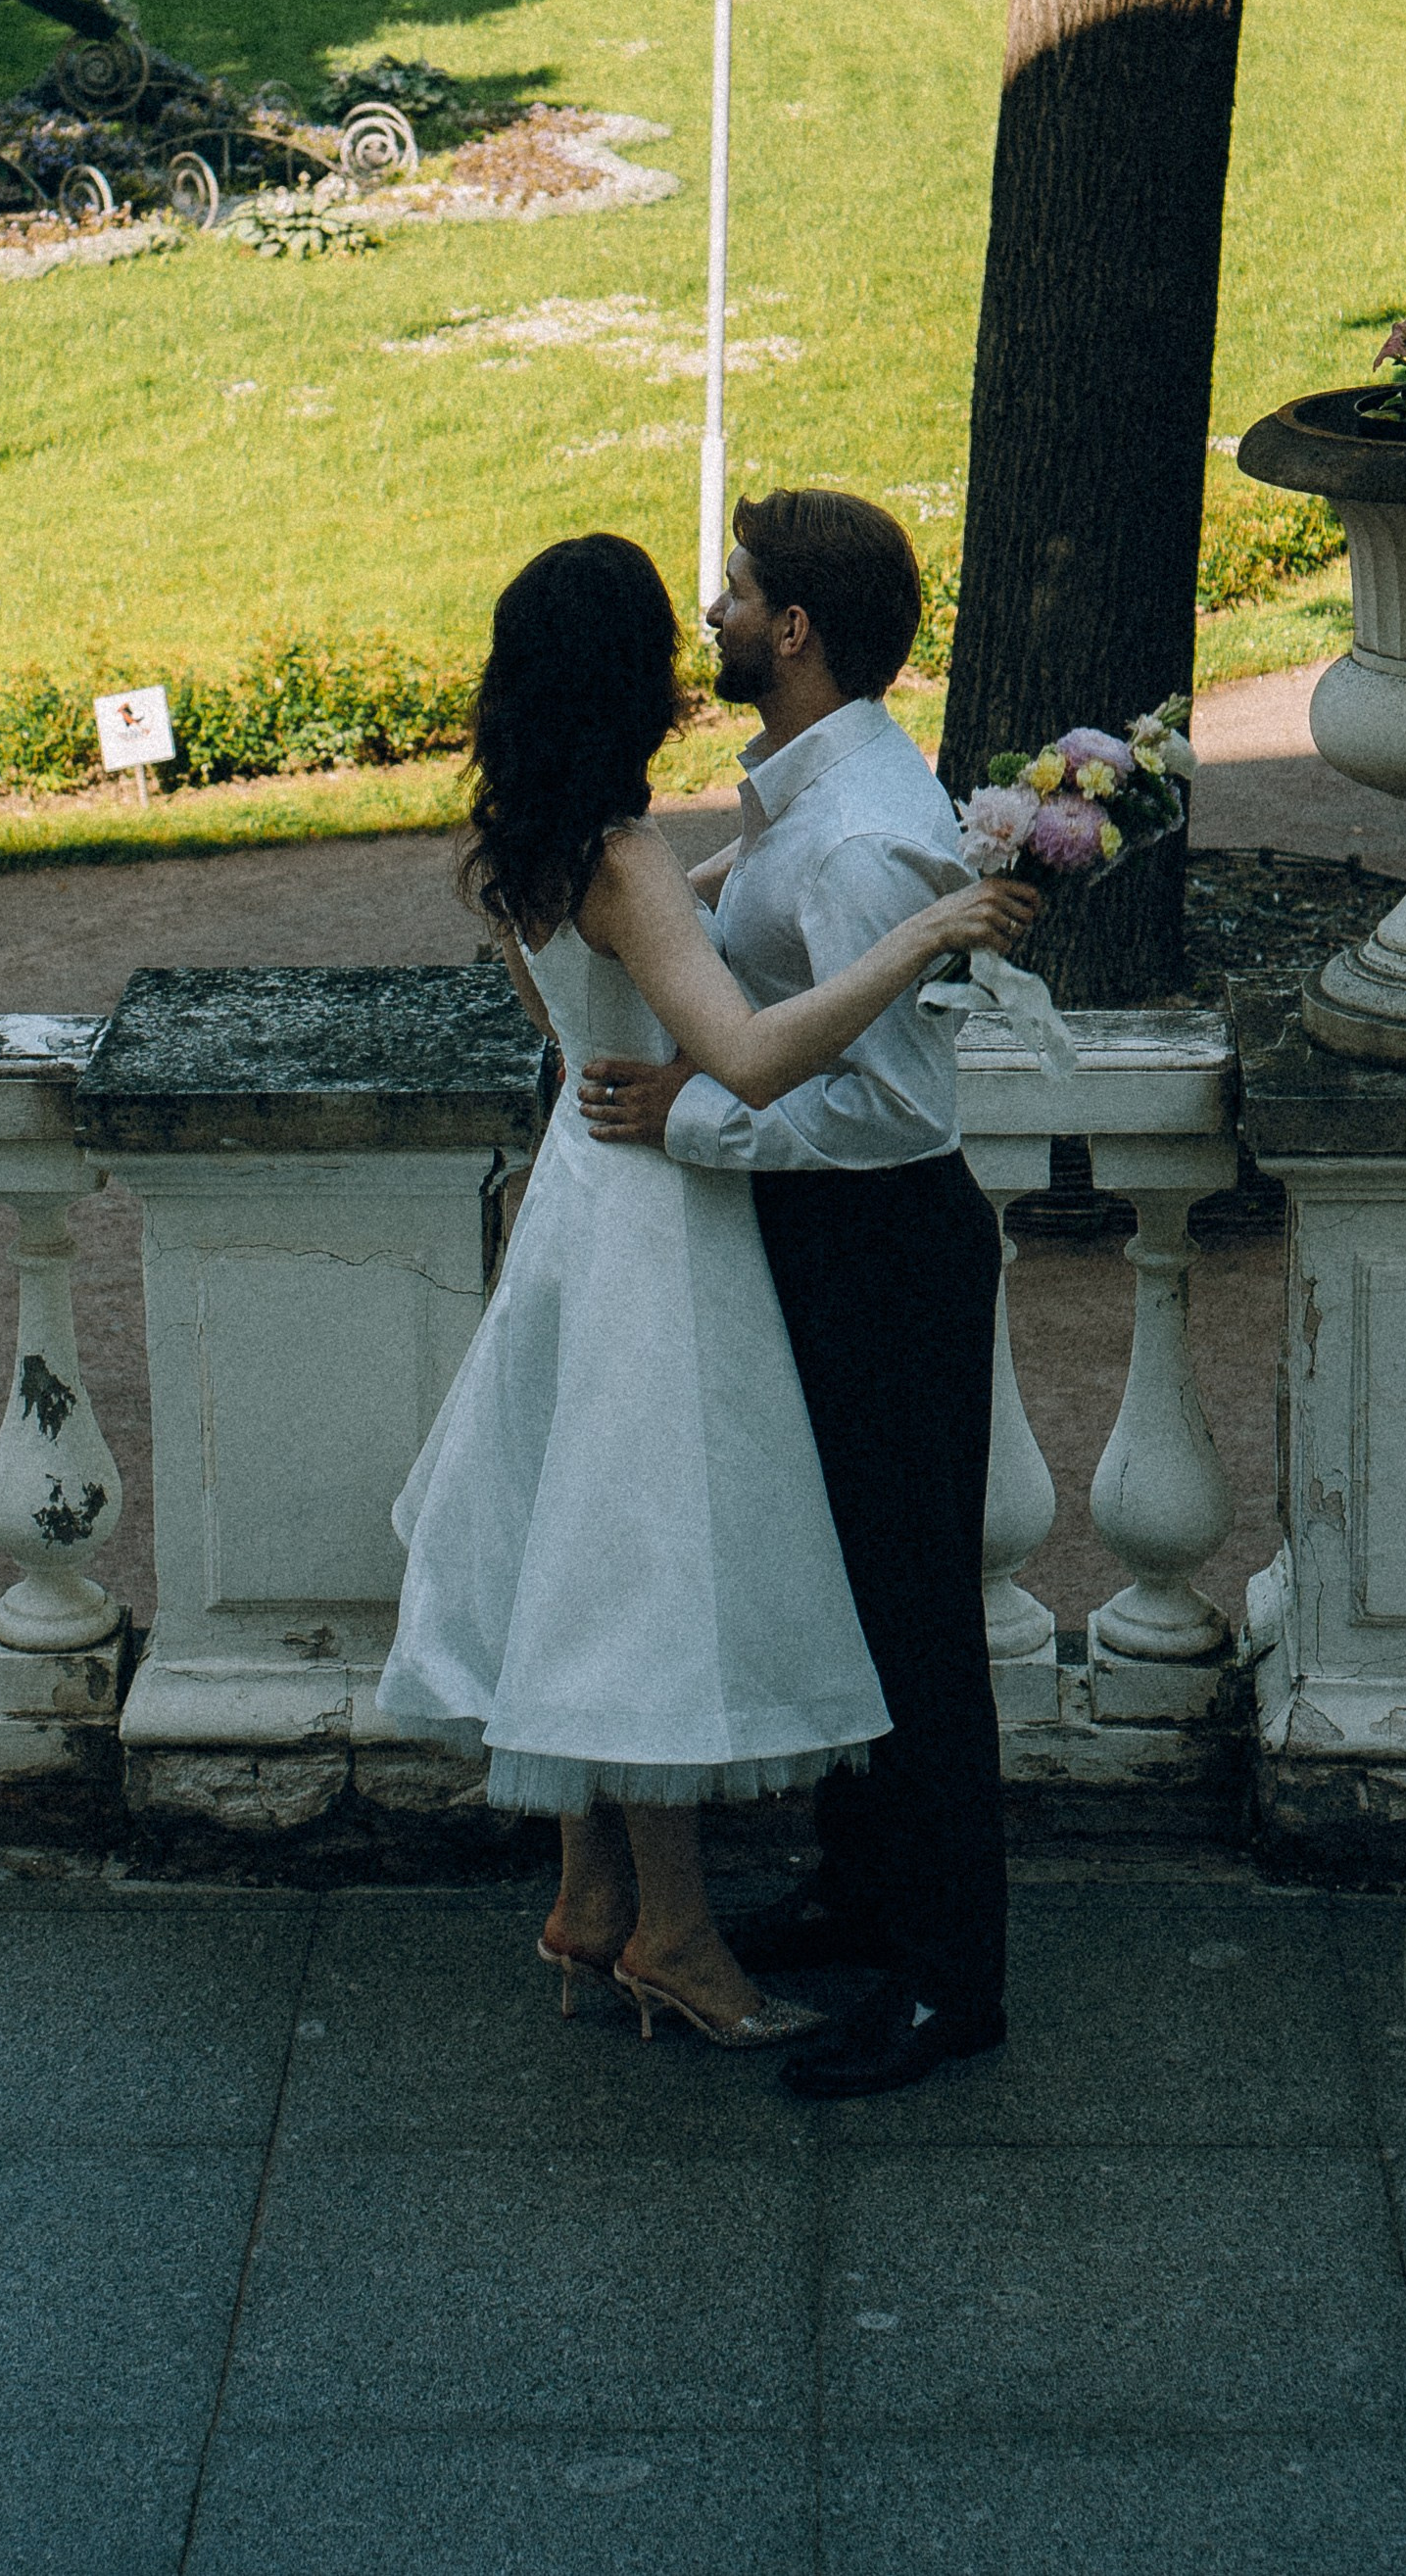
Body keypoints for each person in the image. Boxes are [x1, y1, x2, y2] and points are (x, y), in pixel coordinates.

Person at [377, 533, 1034, 2050]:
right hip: (669, 1222)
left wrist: (729, 878)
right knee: (656, 1578)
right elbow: (738, 1058)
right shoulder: (631, 855)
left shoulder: (532, 842)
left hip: (590, 1218)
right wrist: (935, 932)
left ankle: (609, 1907)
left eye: (727, 600)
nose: (708, 628)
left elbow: (614, 999)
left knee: (593, 1561)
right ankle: (670, 1930)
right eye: (686, 618)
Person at [580, 486, 1014, 2096]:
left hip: (885, 1250)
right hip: (834, 1242)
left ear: (799, 630)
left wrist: (688, 1117)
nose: (714, 607)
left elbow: (903, 1106)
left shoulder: (858, 835)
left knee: (912, 1620)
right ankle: (862, 1887)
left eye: (738, 589)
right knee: (848, 1589)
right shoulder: (806, 796)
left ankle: (950, 1983)